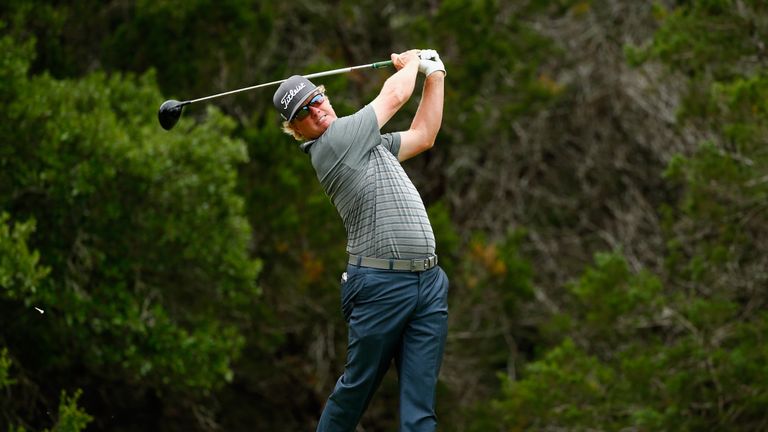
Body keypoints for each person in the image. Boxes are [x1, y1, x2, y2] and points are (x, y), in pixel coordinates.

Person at [272, 49, 448, 432]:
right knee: (356, 390)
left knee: (421, 408)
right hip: (379, 286)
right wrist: (414, 60)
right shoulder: (333, 144)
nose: (315, 111)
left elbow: (424, 135)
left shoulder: (367, 145)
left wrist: (435, 75)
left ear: (326, 97)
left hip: (429, 283)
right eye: (302, 113)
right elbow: (395, 97)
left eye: (315, 100)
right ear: (296, 130)